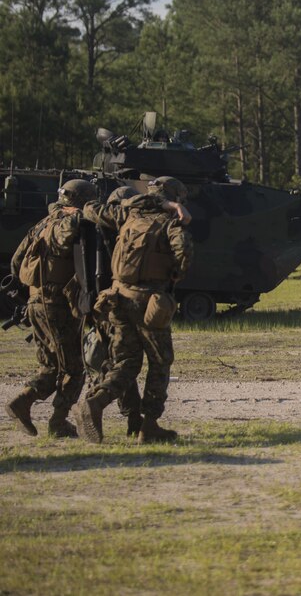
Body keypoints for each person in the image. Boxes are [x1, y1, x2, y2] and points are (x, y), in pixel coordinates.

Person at [73, 176, 192, 444]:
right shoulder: (169, 222)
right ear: (173, 197)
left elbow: (91, 209)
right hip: (149, 301)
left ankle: (96, 402)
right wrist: (173, 275)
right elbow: (183, 252)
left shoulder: (126, 213)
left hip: (117, 298)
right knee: (160, 361)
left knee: (126, 362)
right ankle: (149, 426)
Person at [5, 179, 97, 437]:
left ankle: (23, 401)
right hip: (58, 305)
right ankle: (57, 421)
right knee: (74, 367)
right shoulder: (68, 223)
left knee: (51, 365)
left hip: (36, 302)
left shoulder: (41, 224)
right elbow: (73, 231)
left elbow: (16, 263)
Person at [83, 185, 144, 437]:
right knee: (126, 362)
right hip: (119, 304)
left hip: (95, 303)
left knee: (113, 361)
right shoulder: (130, 225)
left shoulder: (93, 224)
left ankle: (133, 419)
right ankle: (93, 403)